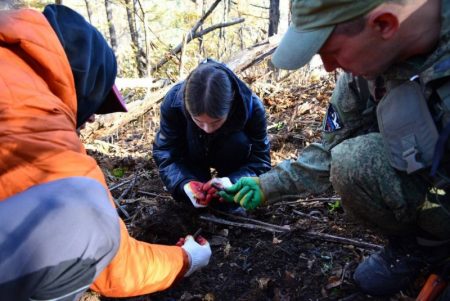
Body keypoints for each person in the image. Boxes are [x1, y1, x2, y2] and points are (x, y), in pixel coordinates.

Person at [219, 0, 450, 297]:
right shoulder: (362, 75)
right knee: (351, 160)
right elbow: (331, 149)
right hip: (434, 188)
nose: (328, 67)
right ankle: (422, 249)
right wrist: (266, 185)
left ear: (384, 25)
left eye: (332, 51)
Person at [0, 4, 211, 301]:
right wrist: (186, 259)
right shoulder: (32, 119)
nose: (93, 118)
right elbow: (117, 266)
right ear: (79, 80)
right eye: (95, 103)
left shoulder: (14, 67)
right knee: (81, 212)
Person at [153, 59, 271, 209]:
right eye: (198, 121)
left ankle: (230, 193)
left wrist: (233, 182)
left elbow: (261, 160)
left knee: (238, 142)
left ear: (232, 102)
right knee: (193, 205)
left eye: (215, 122)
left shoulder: (253, 107)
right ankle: (195, 180)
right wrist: (184, 183)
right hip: (192, 154)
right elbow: (165, 151)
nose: (207, 129)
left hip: (232, 159)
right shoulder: (173, 103)